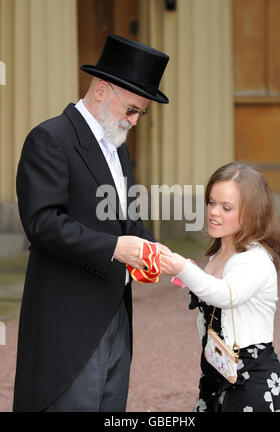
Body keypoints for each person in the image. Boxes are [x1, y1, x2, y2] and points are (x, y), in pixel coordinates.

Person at [13, 34, 169, 412]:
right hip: (67, 323)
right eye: (132, 109)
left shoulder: (119, 145)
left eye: (140, 114)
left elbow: (128, 222)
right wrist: (117, 249)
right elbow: (42, 223)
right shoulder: (49, 138)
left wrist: (157, 251)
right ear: (102, 90)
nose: (134, 121)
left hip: (116, 313)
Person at [161, 162, 280, 412]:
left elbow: (226, 295)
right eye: (212, 203)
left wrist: (183, 269)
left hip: (253, 387)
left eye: (227, 207)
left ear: (252, 213)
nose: (214, 212)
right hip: (217, 378)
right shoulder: (218, 256)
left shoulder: (256, 258)